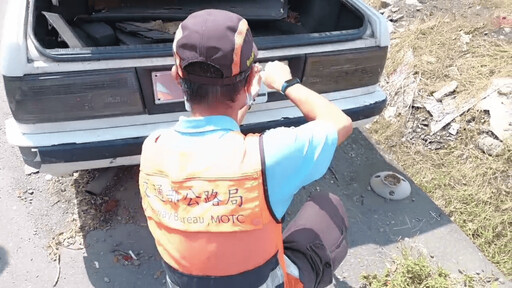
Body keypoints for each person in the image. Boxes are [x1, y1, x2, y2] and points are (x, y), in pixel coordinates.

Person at [139, 9, 353, 288]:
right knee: (328, 204)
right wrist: (286, 82)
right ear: (253, 80)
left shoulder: (153, 149)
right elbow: (340, 123)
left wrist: (234, 114)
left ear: (177, 78)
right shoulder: (269, 156)